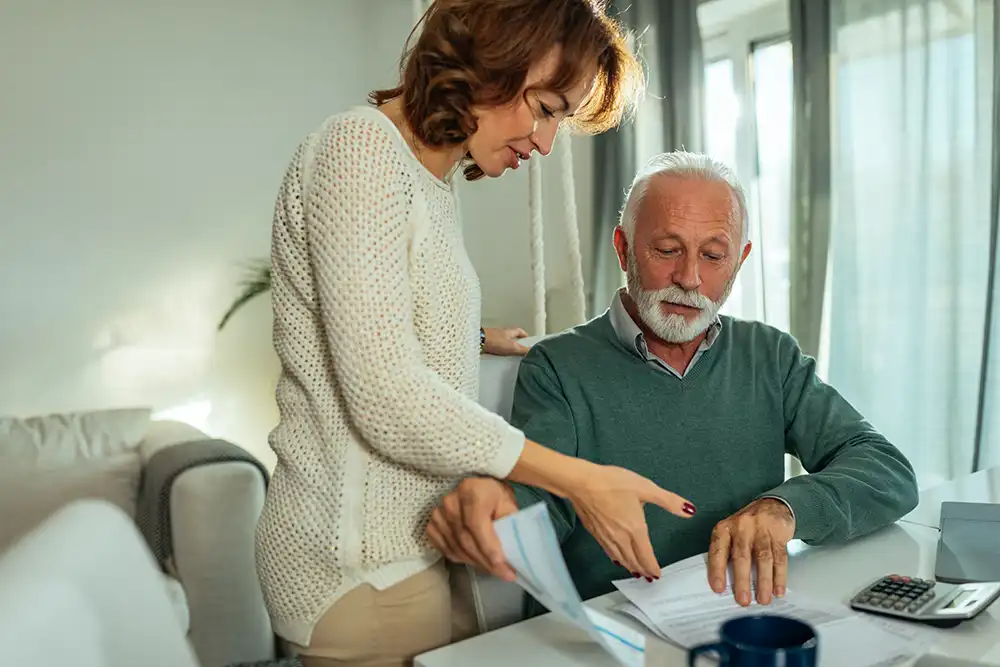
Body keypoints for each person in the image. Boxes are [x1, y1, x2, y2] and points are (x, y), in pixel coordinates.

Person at [254, 3, 701, 666]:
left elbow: (379, 311)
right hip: (353, 565)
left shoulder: (426, 181)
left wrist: (473, 334)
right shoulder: (359, 149)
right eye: (546, 107)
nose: (547, 143)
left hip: (407, 553)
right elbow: (384, 393)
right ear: (495, 54)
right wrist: (581, 479)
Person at [426, 151, 920, 618]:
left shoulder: (770, 356)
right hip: (609, 634)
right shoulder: (557, 365)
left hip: (739, 617)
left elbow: (887, 471)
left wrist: (785, 507)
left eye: (713, 256)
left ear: (740, 261)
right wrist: (496, 511)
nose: (689, 278)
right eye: (667, 250)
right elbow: (539, 509)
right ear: (623, 248)